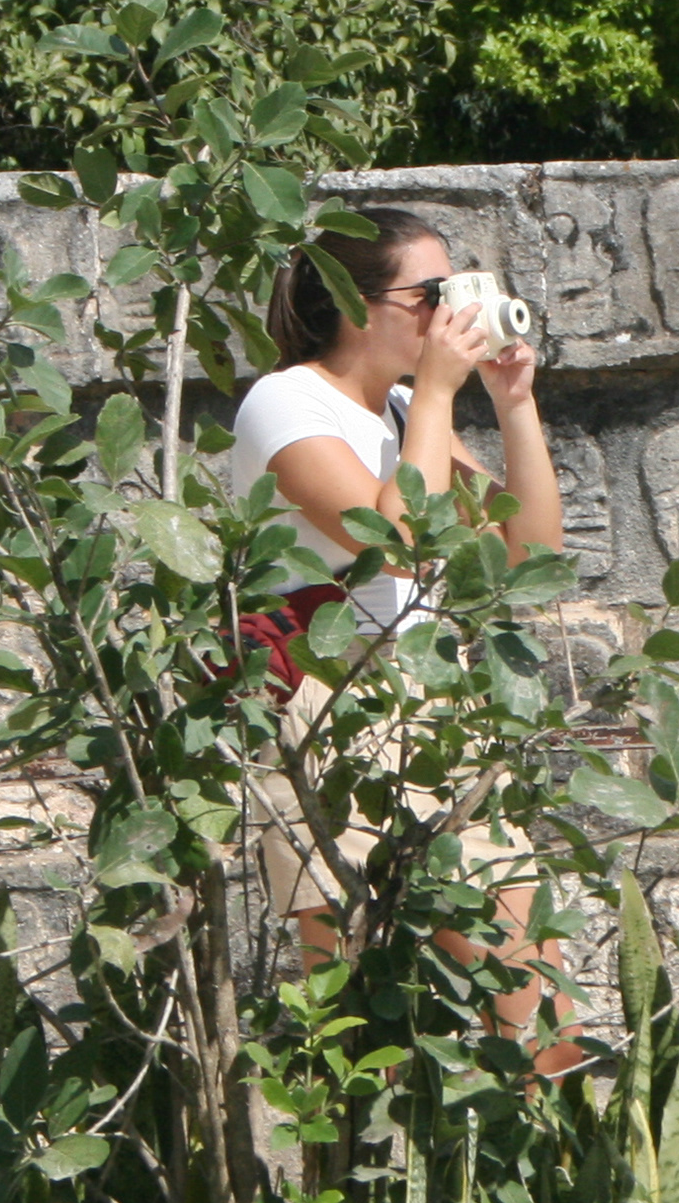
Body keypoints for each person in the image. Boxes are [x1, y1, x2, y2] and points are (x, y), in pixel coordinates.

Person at [232, 209, 581, 1071]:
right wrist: (433, 392)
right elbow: (394, 536)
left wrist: (515, 403)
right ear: (355, 301)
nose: (448, 314)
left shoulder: (401, 409)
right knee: (348, 1010)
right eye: (430, 295)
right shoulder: (285, 402)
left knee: (534, 991)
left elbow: (527, 553)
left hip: (428, 704)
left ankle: (548, 1174)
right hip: (330, 702)